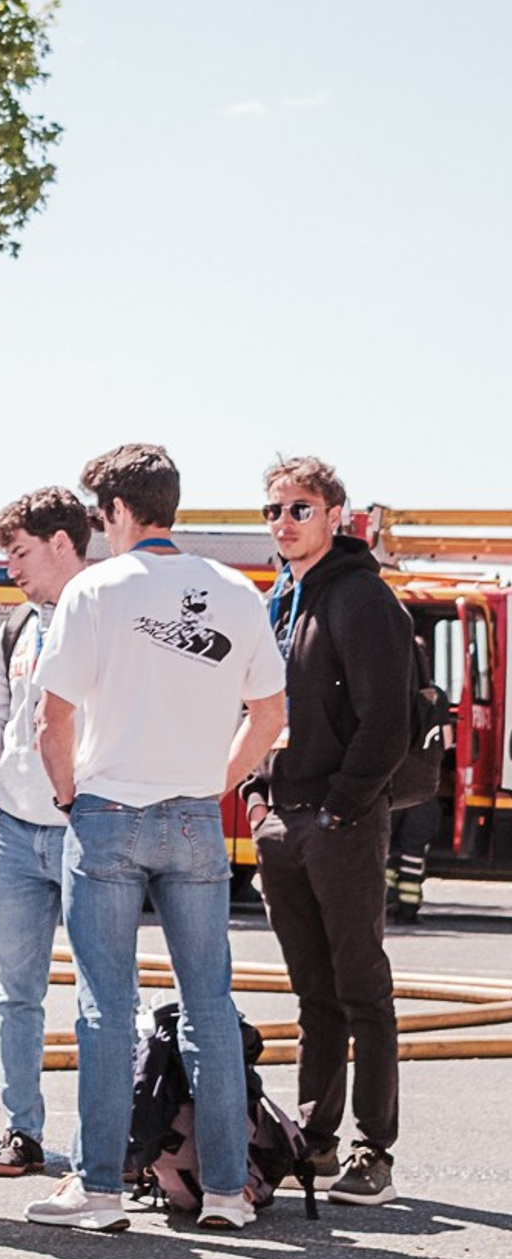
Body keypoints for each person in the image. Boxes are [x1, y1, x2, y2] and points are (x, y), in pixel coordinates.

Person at [27, 443, 286, 1233]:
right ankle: (225, 1193)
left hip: (106, 811)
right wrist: (212, 780)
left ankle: (100, 1188)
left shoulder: (95, 590)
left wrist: (70, 793)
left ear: (116, 513)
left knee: (107, 1006)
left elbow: (53, 718)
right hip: (193, 817)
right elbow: (272, 718)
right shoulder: (238, 591)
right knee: (210, 1004)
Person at [251, 455, 414, 1205]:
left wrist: (343, 805)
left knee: (361, 990)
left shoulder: (361, 599)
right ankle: (314, 1142)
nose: (284, 523)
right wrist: (259, 804)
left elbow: (390, 721)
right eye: (274, 511)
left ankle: (370, 1151)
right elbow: (259, 711)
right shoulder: (280, 600)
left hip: (340, 822)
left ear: (335, 516)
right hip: (283, 822)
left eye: (299, 508)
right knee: (312, 992)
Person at [0, 488, 96, 1178]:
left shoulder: (106, 616)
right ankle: (22, 1131)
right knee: (16, 993)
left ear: (63, 543)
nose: (10, 566)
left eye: (19, 551)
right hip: (12, 829)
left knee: (104, 992)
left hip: (85, 827)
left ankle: (110, 1142)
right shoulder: (16, 627)